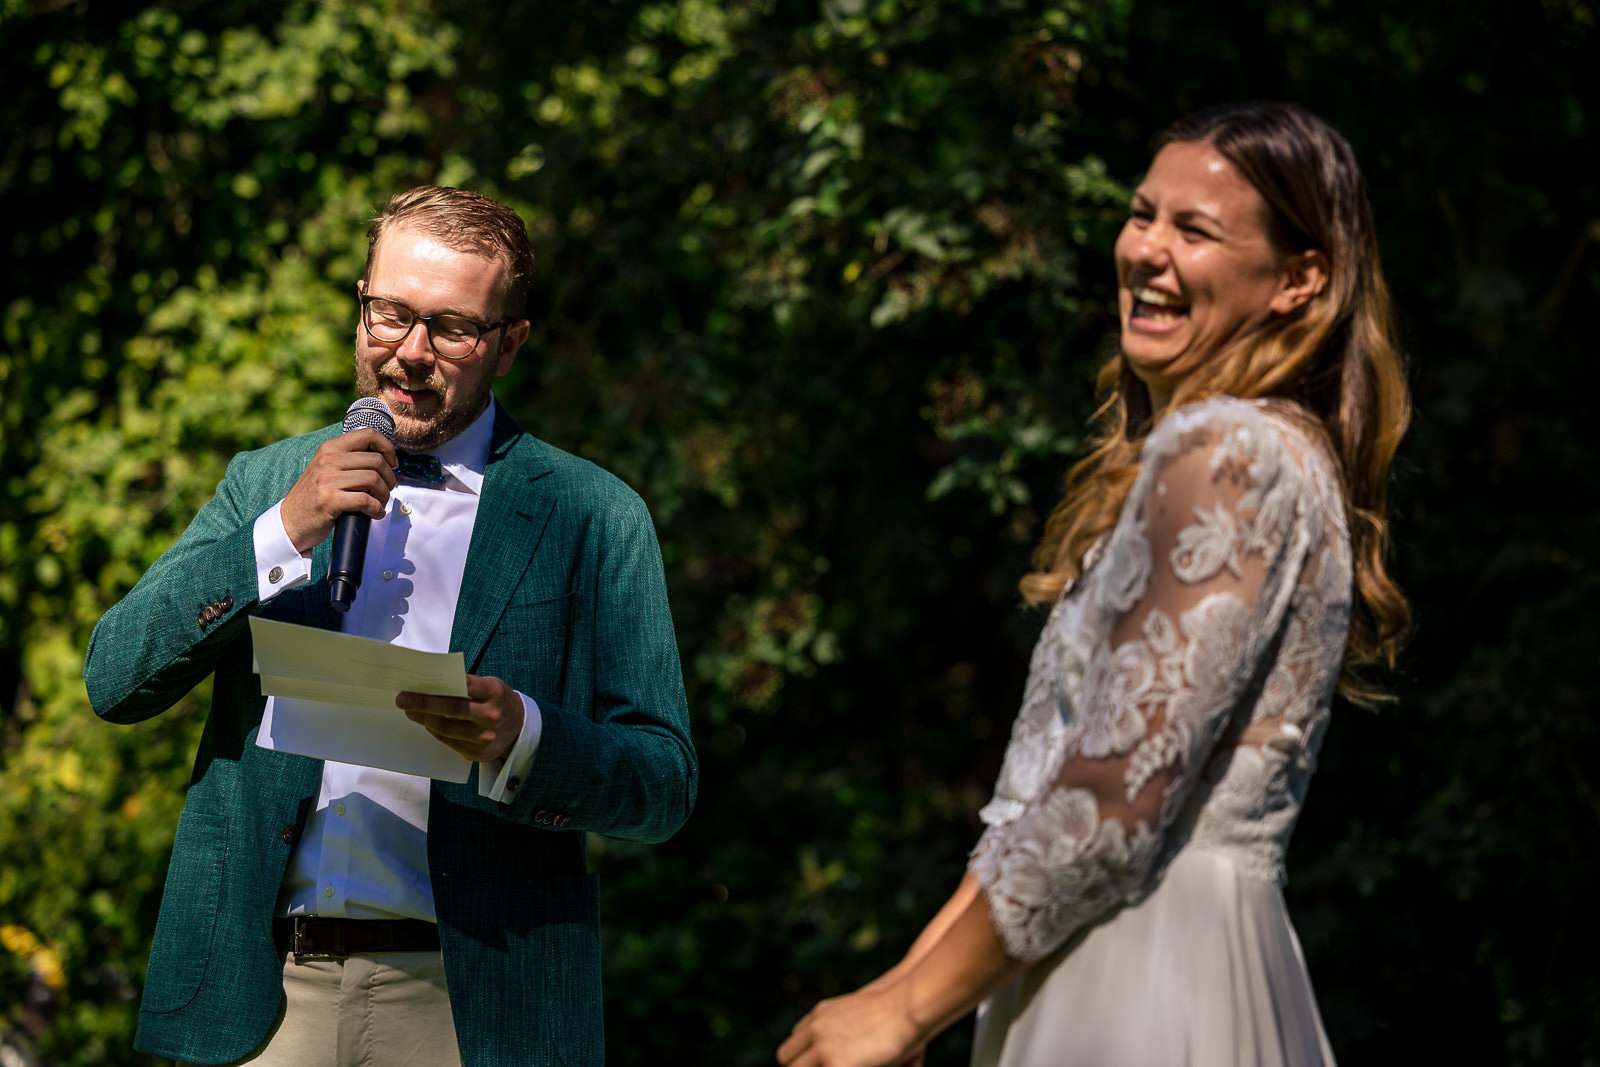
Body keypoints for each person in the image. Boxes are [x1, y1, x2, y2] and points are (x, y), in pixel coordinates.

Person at [778, 101, 1410, 1067]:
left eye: (1194, 229)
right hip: (1106, 943)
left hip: (1145, 962)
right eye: (1142, 212)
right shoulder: (1267, 453)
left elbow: (1112, 800)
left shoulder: (1229, 449)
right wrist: (899, 994)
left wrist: (907, 1012)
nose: (1146, 250)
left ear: (1299, 281)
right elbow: (1037, 795)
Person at [83, 186, 697, 1067]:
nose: (409, 353)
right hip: (262, 999)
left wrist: (522, 734)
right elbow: (115, 678)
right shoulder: (268, 482)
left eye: (451, 329)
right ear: (361, 303)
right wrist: (282, 531)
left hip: (471, 1006)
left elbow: (665, 782)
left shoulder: (592, 514)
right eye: (390, 315)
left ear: (510, 343)